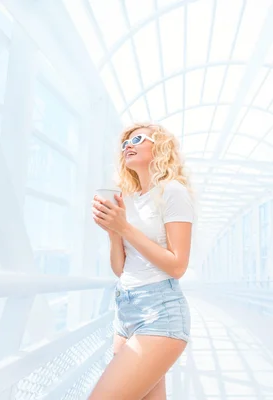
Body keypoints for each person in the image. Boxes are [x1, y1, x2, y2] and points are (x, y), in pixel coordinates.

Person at [89, 123, 194, 399]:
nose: (128, 146)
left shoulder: (173, 191)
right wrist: (114, 232)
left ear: (159, 145)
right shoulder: (130, 200)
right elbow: (120, 268)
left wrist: (125, 229)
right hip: (124, 311)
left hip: (159, 312)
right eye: (124, 143)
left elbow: (178, 265)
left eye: (136, 139)